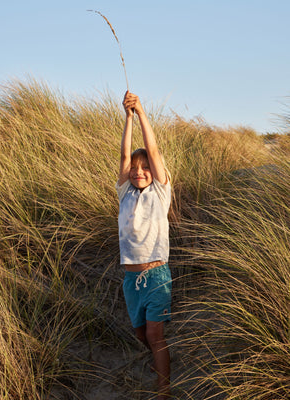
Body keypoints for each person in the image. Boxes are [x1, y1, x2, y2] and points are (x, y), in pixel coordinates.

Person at [116, 91, 172, 399]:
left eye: (145, 167)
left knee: (154, 333)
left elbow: (153, 151)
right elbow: (125, 157)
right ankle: (158, 362)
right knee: (141, 333)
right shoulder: (125, 192)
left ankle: (164, 389)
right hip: (130, 280)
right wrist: (126, 118)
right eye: (135, 168)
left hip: (156, 275)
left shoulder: (160, 193)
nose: (139, 171)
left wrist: (141, 113)